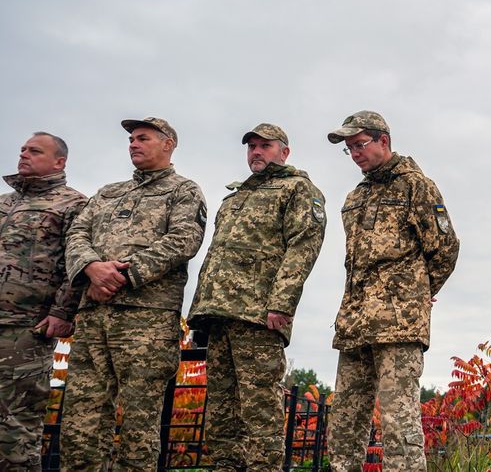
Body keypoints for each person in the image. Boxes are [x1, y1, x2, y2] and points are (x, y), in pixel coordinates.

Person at [61, 117, 207, 471]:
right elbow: (77, 234)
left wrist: (121, 275)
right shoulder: (108, 193)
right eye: (131, 139)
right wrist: (91, 268)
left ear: (168, 143)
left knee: (139, 424)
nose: (133, 144)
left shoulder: (183, 191)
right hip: (94, 314)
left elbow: (183, 240)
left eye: (142, 138)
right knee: (80, 418)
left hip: (147, 319)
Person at [188, 123, 326, 472]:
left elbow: (302, 249)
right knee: (221, 410)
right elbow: (216, 257)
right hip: (219, 315)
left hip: (257, 316)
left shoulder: (298, 189)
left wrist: (282, 303)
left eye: (265, 146)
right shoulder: (234, 197)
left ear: (284, 152)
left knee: (260, 409)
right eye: (251, 146)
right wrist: (199, 312)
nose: (256, 152)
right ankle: (225, 466)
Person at [325, 111, 459, 472]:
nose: (355, 153)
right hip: (355, 323)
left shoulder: (416, 185)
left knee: (399, 424)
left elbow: (445, 247)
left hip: (399, 324)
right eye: (349, 148)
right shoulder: (355, 196)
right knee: (344, 423)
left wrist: (419, 291)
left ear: (384, 140)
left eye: (360, 144)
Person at [0, 132, 88, 471]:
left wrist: (62, 311)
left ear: (59, 162)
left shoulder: (72, 204)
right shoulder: (4, 203)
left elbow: (76, 265)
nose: (23, 154)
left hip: (26, 329)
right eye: (22, 149)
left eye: (34, 151)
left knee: (16, 426)